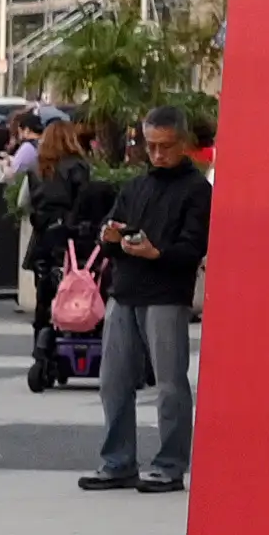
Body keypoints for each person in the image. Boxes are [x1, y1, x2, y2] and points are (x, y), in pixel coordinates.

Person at [85, 110, 211, 493]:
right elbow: (111, 227)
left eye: (166, 147)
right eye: (151, 146)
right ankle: (118, 461)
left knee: (170, 384)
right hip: (125, 291)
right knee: (113, 381)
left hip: (166, 295)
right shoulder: (136, 186)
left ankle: (169, 465)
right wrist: (111, 235)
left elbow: (194, 247)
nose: (157, 154)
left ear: (183, 143)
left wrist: (157, 254)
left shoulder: (197, 190)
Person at [22, 115, 109, 393]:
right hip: (73, 238)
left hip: (45, 238)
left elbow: (24, 201)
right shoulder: (78, 167)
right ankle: (85, 331)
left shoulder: (36, 168)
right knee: (82, 287)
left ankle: (43, 349)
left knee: (46, 295)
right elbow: (86, 201)